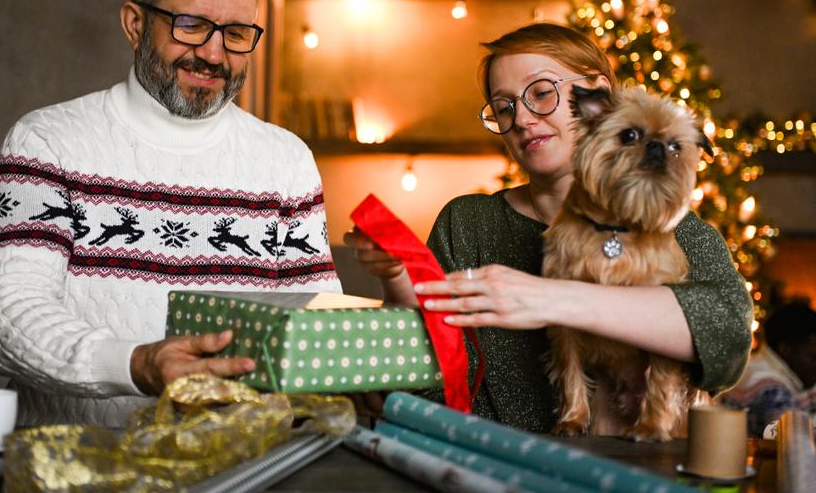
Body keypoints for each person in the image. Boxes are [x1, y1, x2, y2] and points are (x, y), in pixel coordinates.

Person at [0, 0, 340, 427]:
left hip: (239, 471)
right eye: (190, 25)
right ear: (135, 24)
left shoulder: (287, 162)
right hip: (75, 469)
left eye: (235, 33)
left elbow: (320, 323)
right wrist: (139, 363)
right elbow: (8, 314)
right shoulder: (47, 141)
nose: (213, 54)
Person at [345, 23, 752, 432]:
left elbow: (728, 336)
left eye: (541, 93)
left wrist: (553, 298)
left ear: (599, 98)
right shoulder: (468, 223)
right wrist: (398, 278)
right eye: (504, 108)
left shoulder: (672, 228)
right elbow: (433, 387)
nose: (521, 118)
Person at [723, 300, 816, 436]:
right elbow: (795, 438)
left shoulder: (760, 367)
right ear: (786, 349)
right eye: (814, 357)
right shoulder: (766, 384)